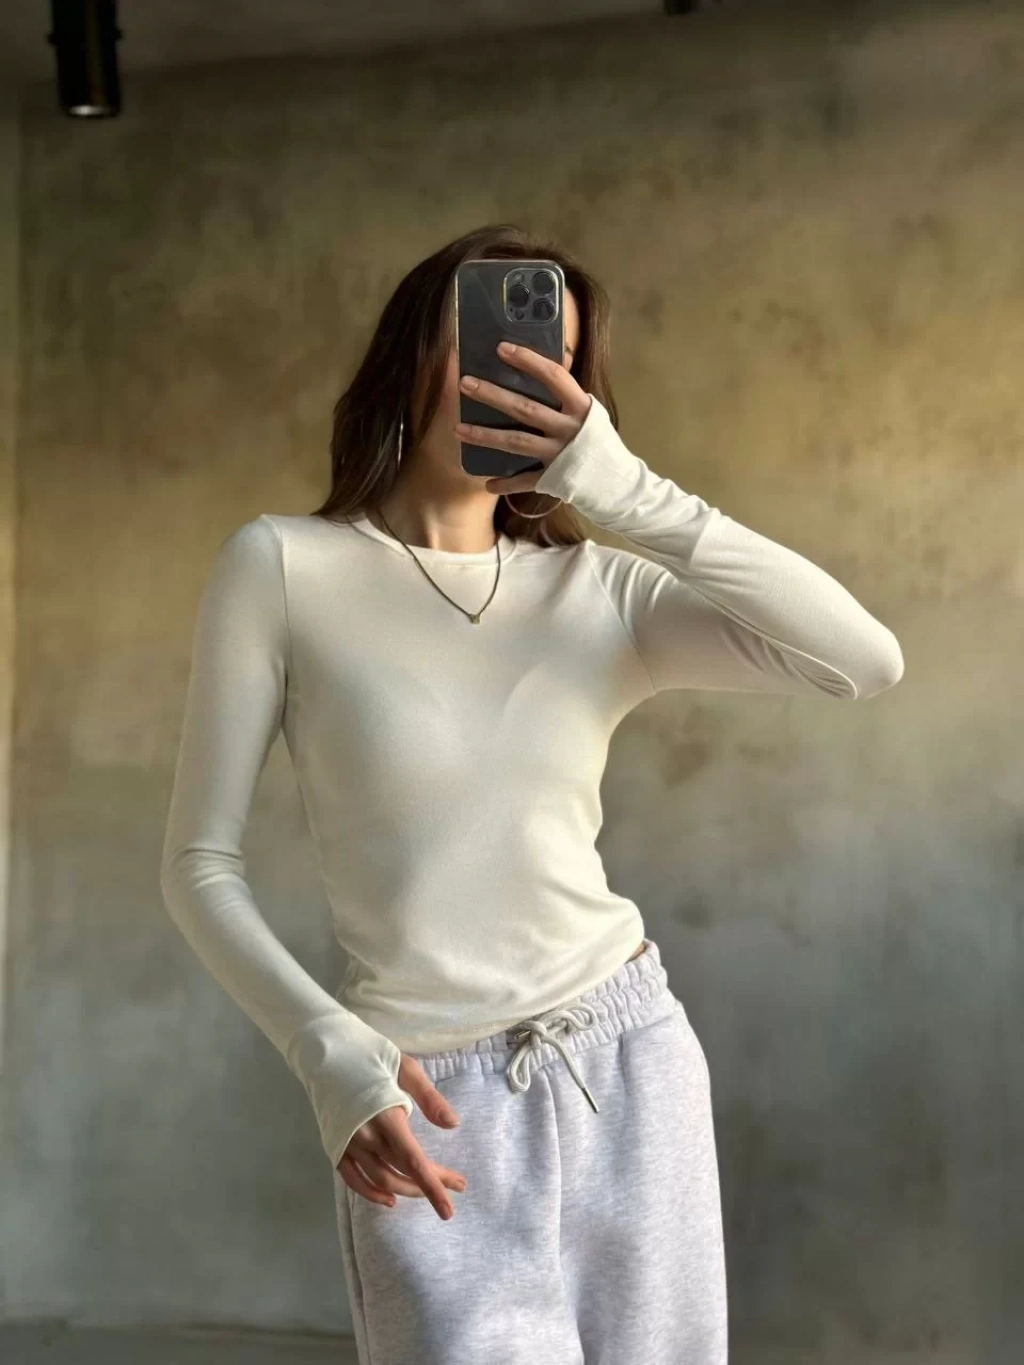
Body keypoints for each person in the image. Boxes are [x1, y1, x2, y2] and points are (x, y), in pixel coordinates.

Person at [160, 223, 904, 1364]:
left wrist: (625, 490)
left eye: (546, 356)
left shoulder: (601, 590)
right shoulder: (281, 566)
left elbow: (863, 661)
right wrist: (328, 1053)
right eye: (484, 342)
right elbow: (198, 866)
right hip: (422, 1096)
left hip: (629, 1066)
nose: (511, 374)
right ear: (414, 354)